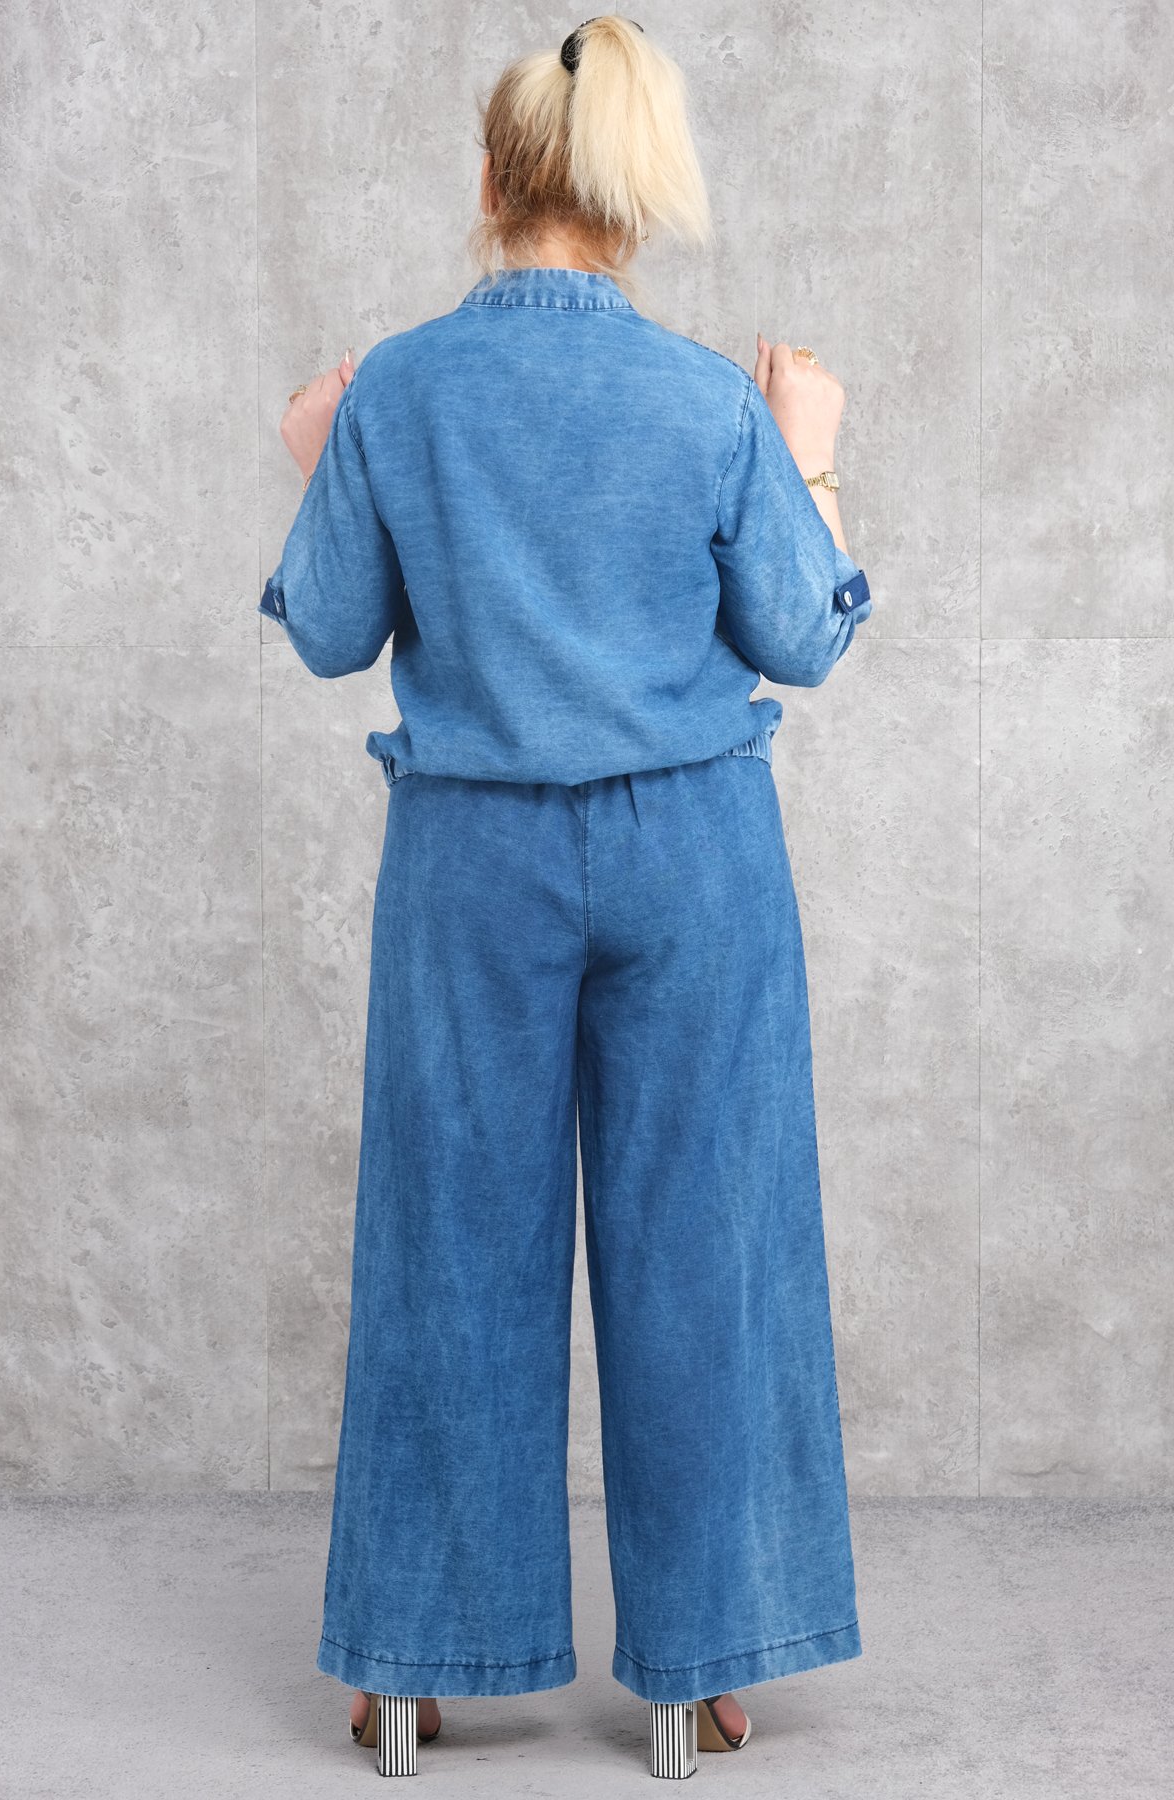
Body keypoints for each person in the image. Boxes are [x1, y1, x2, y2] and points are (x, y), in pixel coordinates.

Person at [259, 13, 871, 1780]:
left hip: (472, 861)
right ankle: (702, 1662)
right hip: (695, 855)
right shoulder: (705, 398)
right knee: (707, 1242)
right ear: (630, 195)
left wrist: (318, 454)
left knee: (451, 1242)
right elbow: (802, 637)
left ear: (490, 177)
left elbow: (327, 631)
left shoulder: (398, 390)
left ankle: (411, 1669)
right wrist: (809, 448)